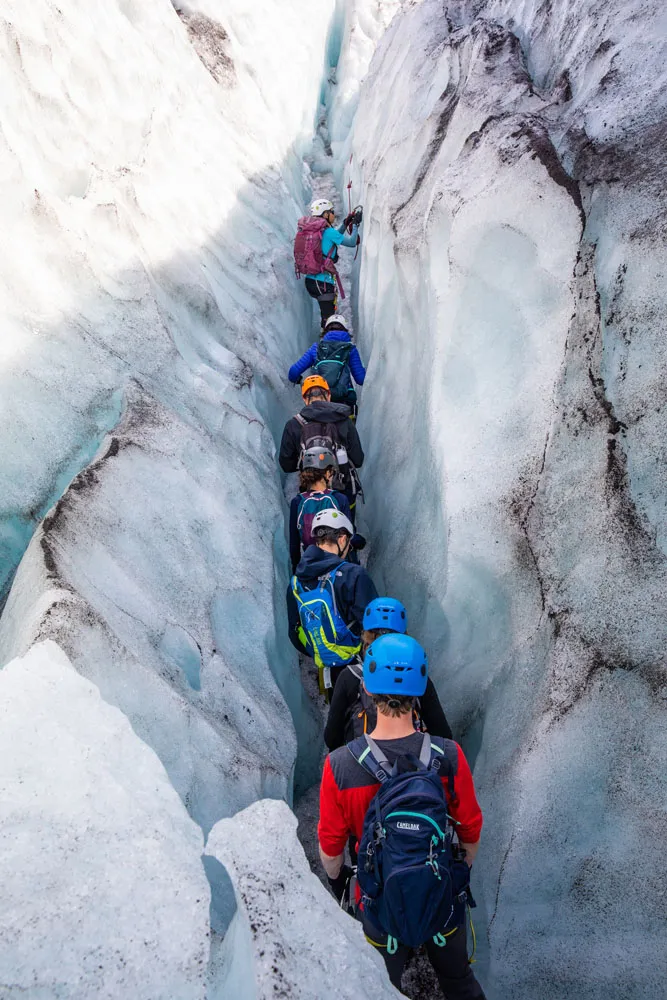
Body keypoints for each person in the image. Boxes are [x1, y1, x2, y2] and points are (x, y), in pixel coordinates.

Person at [318, 634, 486, 999]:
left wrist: (341, 884)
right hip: (442, 904)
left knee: (380, 988)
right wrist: (455, 873)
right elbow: (471, 830)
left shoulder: (340, 766)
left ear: (366, 687)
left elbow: (331, 852)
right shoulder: (450, 756)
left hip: (378, 908)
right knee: (459, 982)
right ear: (420, 690)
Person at [323, 597, 453, 751]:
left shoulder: (349, 677)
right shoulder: (415, 676)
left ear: (365, 635)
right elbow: (443, 735)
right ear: (404, 635)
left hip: (360, 763)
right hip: (413, 766)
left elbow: (332, 739)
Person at [286, 509, 377, 696]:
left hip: (329, 674)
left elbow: (295, 633)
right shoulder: (354, 574)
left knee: (339, 721)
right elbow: (375, 627)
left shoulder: (296, 583)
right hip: (361, 672)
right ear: (342, 539)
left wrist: (322, 650)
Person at [279, 374, 364, 522]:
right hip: (344, 490)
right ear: (329, 395)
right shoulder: (344, 421)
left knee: (313, 531)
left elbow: (286, 464)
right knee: (346, 530)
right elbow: (358, 460)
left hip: (311, 490)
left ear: (305, 399)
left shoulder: (294, 425)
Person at [288, 446, 365, 573]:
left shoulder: (297, 502)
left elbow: (294, 544)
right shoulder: (339, 498)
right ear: (327, 473)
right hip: (338, 565)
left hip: (311, 564)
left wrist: (296, 569)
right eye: (332, 471)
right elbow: (349, 536)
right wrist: (361, 541)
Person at [294, 199, 362, 329]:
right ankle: (327, 346)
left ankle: (325, 342)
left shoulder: (319, 231)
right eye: (331, 212)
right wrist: (356, 225)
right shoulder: (328, 232)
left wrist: (345, 223)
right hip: (323, 284)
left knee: (327, 318)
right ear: (325, 214)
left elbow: (334, 236)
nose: (333, 214)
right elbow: (352, 242)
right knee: (329, 321)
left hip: (311, 281)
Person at [287, 315, 366, 408]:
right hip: (343, 400)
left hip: (319, 397)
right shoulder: (350, 349)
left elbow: (293, 372)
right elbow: (361, 379)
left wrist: (298, 380)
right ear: (345, 330)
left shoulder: (316, 348)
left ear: (325, 331)